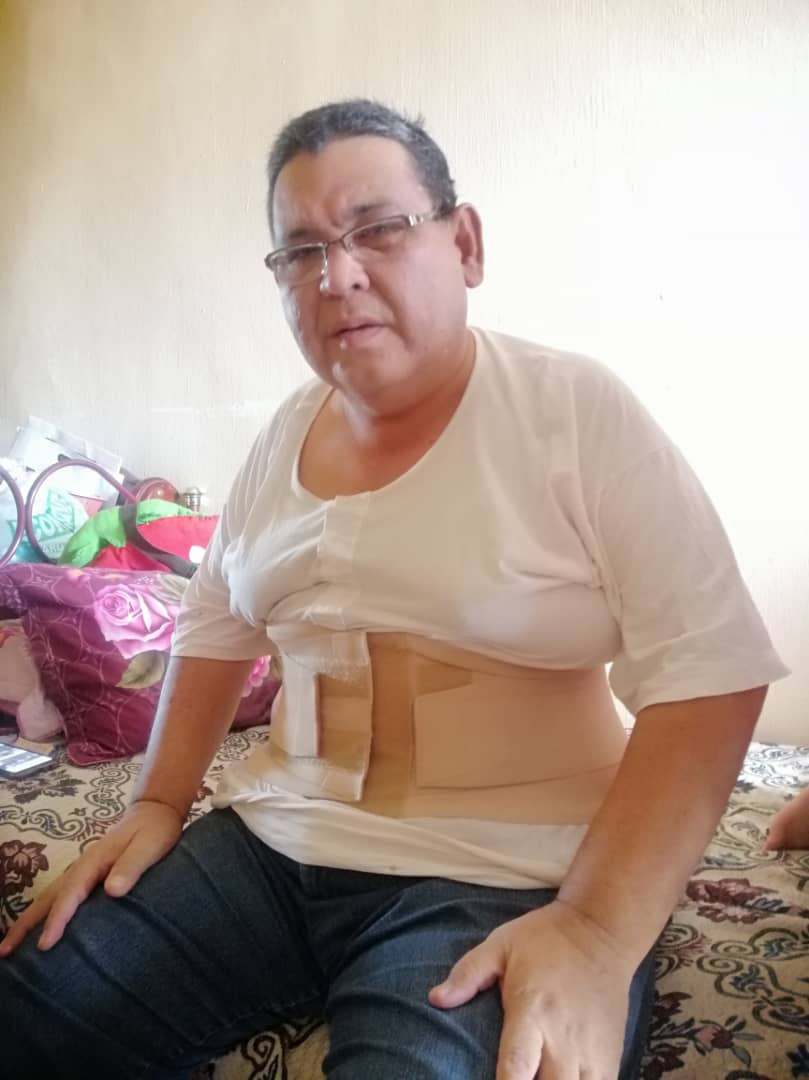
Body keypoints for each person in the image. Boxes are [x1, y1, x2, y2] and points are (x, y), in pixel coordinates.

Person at [0, 99, 789, 1080]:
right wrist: (158, 802)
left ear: (464, 244)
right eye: (300, 251)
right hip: (270, 848)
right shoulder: (282, 436)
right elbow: (214, 619)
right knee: (30, 1012)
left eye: (378, 229)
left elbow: (709, 671)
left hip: (504, 877)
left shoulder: (570, 411)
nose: (337, 275)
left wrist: (594, 929)